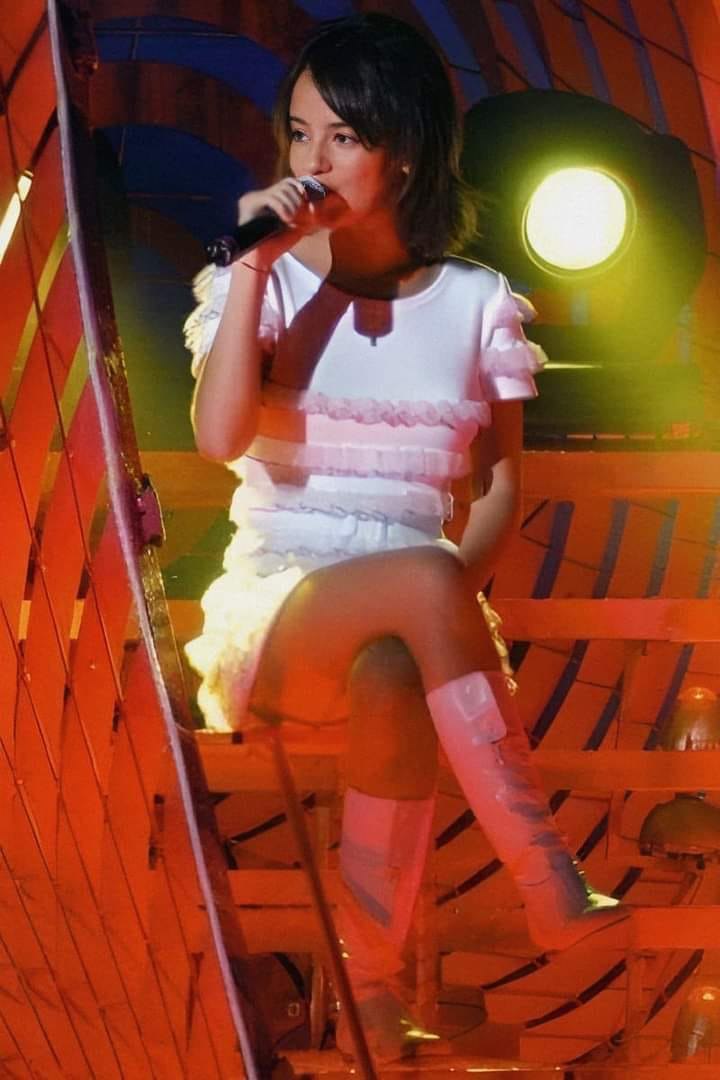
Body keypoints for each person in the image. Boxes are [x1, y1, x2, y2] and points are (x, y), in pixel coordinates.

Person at [184, 13, 629, 1065]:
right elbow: (217, 439)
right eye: (300, 133)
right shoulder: (266, 280)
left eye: (344, 137)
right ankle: (544, 873)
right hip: (278, 608)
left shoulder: (476, 303)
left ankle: (372, 992)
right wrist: (255, 271)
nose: (313, 160)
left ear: (408, 152)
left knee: (397, 665)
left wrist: (441, 606)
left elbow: (500, 487)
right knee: (423, 582)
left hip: (415, 619)